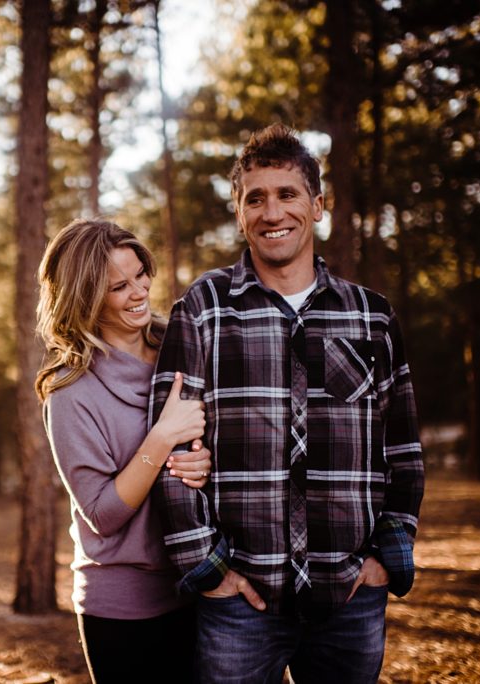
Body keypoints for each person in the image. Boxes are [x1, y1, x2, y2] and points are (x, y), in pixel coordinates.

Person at [150, 123, 425, 683]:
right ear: (239, 212)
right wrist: (208, 570)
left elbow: (403, 449)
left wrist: (384, 560)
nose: (272, 212)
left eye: (287, 194)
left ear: (317, 206)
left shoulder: (370, 316)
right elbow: (169, 447)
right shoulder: (204, 310)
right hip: (239, 605)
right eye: (256, 198)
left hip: (349, 598)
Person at [36, 218, 212, 684]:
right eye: (119, 286)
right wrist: (162, 437)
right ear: (86, 299)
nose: (139, 292)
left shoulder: (182, 345)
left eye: (140, 274)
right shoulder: (71, 392)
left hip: (204, 586)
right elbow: (103, 514)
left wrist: (204, 460)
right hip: (124, 612)